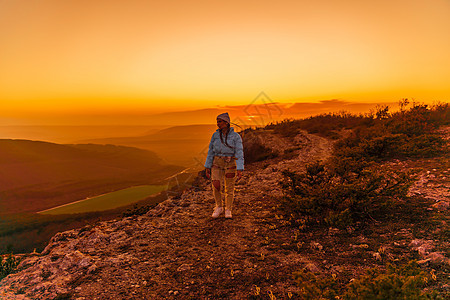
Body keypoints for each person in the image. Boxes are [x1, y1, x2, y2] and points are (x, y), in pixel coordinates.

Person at [204, 112, 244, 219]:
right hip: (216, 162)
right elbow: (210, 151)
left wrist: (240, 168)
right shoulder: (215, 135)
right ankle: (219, 206)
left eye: (220, 121)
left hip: (230, 162)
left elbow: (239, 152)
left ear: (226, 122)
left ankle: (228, 209)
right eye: (217, 122)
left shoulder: (236, 136)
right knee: (216, 185)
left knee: (229, 187)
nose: (218, 124)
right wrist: (208, 166)